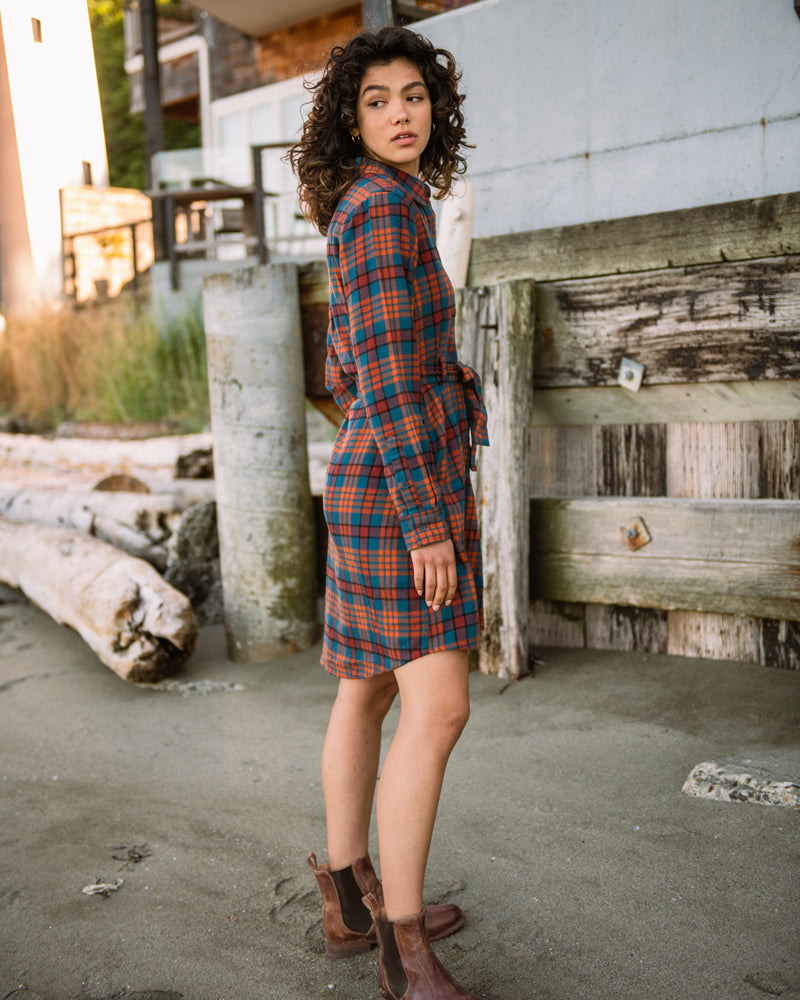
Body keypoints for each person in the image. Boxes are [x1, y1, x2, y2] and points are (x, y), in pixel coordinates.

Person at [288, 25, 489, 1000]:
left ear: (433, 108)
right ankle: (403, 956)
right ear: (350, 118)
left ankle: (350, 903)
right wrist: (427, 521)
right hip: (401, 490)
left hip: (377, 473)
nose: (401, 113)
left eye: (414, 95)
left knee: (366, 690)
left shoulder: (383, 202)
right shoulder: (378, 213)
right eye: (377, 100)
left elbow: (349, 370)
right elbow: (389, 381)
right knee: (437, 705)